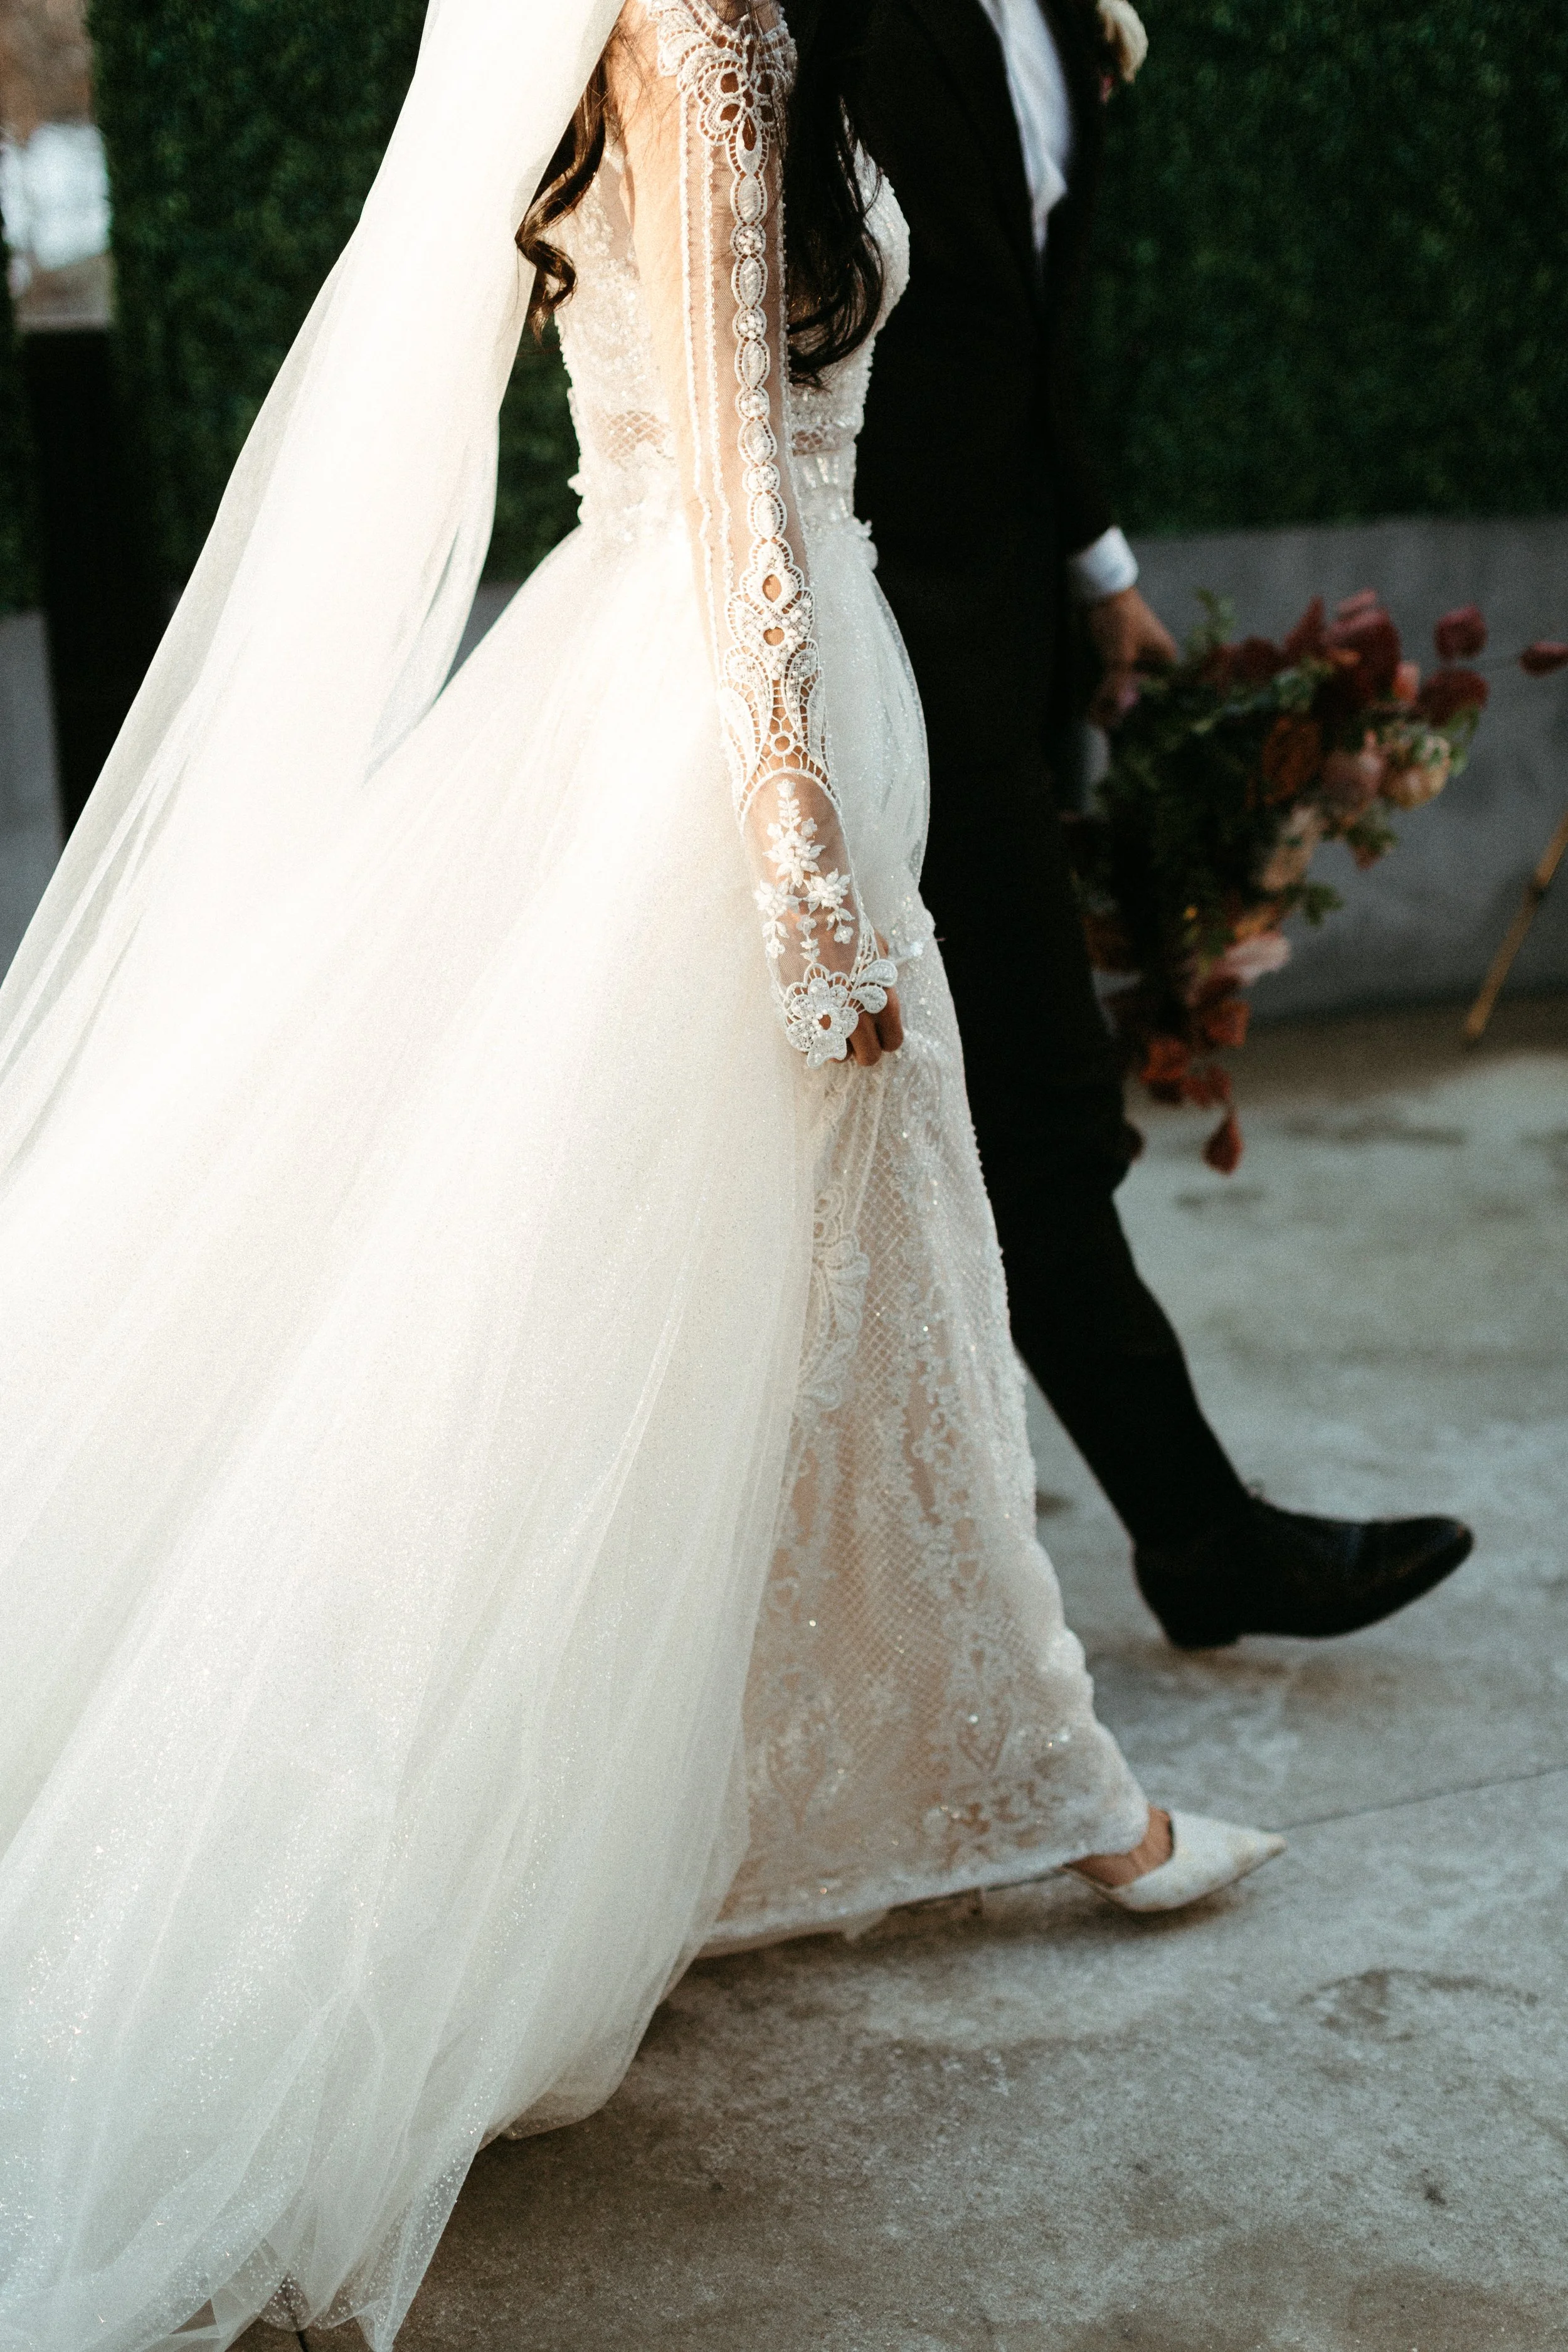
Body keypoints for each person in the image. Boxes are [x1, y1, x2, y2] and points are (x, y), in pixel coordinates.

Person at [0, 4, 1282, 2345]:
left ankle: (787, 1816)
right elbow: (733, 500)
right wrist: (803, 882)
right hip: (717, 751)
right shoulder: (699, 30)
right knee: (752, 1290)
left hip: (700, 716)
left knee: (783, 1291)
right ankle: (1045, 1797)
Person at [849, 0, 1473, 1650]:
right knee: (1026, 1104)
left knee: (986, 1111)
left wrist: (1095, 571)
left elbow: (1018, 330)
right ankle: (1187, 1534)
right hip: (860, 649)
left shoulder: (1058, 14)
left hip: (1001, 634)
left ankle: (1158, 1537)